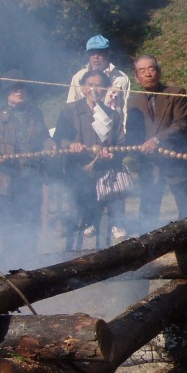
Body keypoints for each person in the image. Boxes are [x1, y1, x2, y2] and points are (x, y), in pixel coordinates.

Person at [53, 70, 126, 248]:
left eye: (99, 85)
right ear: (83, 87)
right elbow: (58, 138)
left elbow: (121, 144)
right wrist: (70, 144)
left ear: (106, 89)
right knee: (78, 215)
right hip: (77, 170)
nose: (94, 89)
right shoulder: (69, 111)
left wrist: (112, 153)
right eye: (90, 84)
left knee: (102, 223)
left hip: (104, 173)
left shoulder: (113, 115)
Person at [0, 74, 50, 253]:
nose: (19, 91)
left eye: (22, 87)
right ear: (6, 92)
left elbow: (45, 139)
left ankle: (30, 267)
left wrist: (51, 145)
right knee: (9, 225)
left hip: (31, 178)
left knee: (31, 223)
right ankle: (11, 266)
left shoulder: (35, 113)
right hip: (5, 180)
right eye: (14, 88)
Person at [126, 55, 187, 233]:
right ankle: (148, 252)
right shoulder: (132, 102)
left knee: (186, 210)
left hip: (175, 160)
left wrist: (157, 139)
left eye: (151, 69)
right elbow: (132, 132)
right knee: (149, 209)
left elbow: (180, 124)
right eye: (142, 71)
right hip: (150, 164)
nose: (147, 74)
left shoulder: (176, 94)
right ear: (136, 77)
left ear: (158, 71)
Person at [67, 35, 131, 124]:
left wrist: (122, 133)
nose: (96, 56)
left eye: (100, 52)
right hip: (85, 128)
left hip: (113, 128)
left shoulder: (121, 78)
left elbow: (125, 110)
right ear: (88, 55)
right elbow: (71, 105)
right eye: (92, 53)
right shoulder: (78, 77)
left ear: (108, 53)